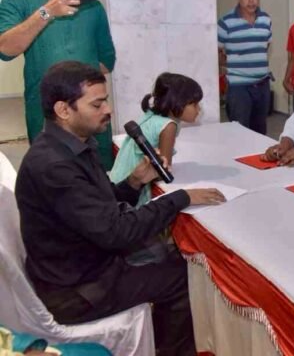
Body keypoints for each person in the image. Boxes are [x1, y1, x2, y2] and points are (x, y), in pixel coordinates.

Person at [14, 61, 225, 356]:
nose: (108, 110)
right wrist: (181, 198)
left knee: (173, 255)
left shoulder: (69, 145)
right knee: (182, 277)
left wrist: (134, 182)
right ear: (64, 110)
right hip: (78, 290)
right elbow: (116, 232)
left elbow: (97, 206)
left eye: (106, 101)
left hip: (83, 265)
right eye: (97, 104)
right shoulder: (54, 165)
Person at [0, 0, 116, 169]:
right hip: (46, 114)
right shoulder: (17, 0)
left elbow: (106, 62)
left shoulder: (92, 7)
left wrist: (82, 90)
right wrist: (48, 12)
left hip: (91, 114)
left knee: (100, 177)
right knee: (54, 177)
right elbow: (6, 49)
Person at [110, 72, 203, 207]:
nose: (198, 109)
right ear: (176, 103)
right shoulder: (168, 126)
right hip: (130, 191)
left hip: (118, 182)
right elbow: (162, 172)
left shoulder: (151, 115)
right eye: (194, 104)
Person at [218, 0, 272, 135]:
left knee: (260, 133)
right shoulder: (226, 22)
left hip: (262, 85)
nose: (251, 0)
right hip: (238, 88)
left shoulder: (265, 19)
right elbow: (216, 52)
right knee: (240, 134)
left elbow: (264, 46)